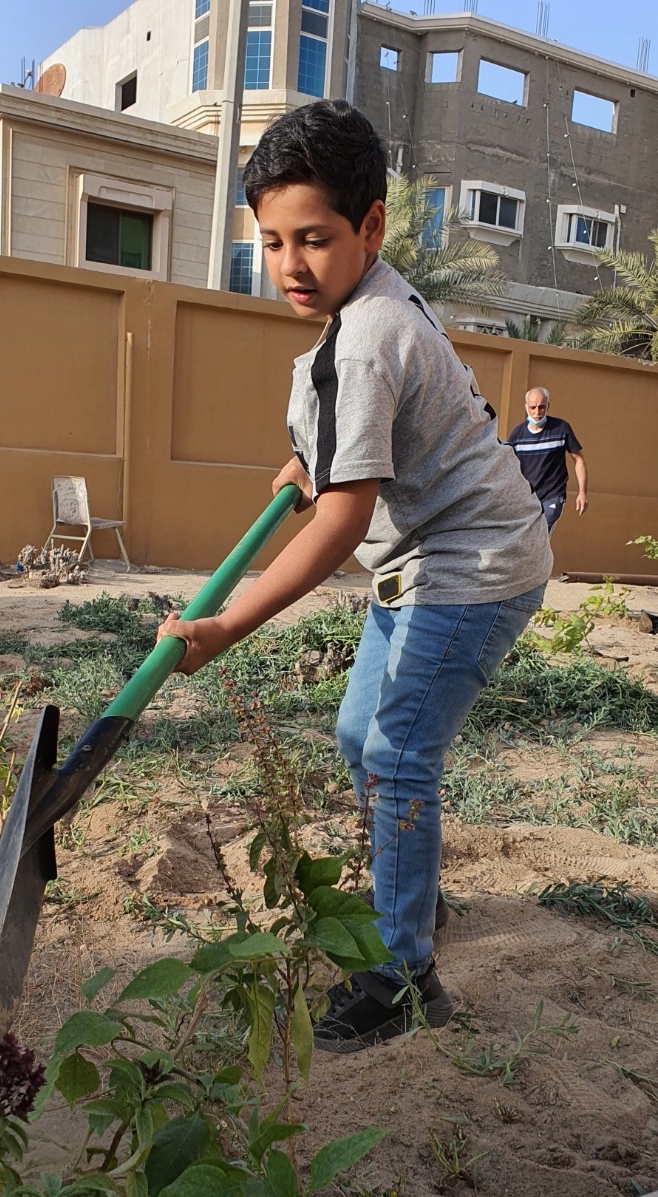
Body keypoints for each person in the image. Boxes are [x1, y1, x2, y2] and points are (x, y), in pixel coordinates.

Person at [158, 99, 552, 1054]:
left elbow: (339, 525)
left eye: (315, 239)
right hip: (424, 561)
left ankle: (402, 977)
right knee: (357, 735)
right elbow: (382, 432)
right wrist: (316, 457)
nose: (291, 264)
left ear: (370, 227)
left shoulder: (366, 338)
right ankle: (413, 892)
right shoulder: (369, 307)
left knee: (397, 757)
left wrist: (226, 626)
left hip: (473, 566)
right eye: (271, 241)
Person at [507, 387, 588, 532]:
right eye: (533, 407)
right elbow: (508, 467)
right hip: (527, 497)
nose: (537, 412)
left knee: (540, 530)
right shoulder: (517, 435)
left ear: (548, 406)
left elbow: (578, 460)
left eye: (541, 407)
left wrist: (582, 492)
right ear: (526, 407)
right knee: (527, 536)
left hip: (553, 494)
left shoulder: (561, 429)